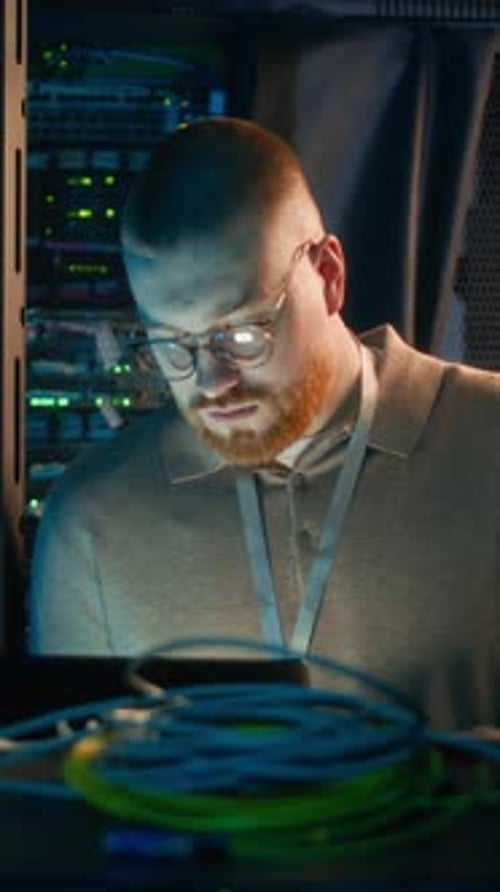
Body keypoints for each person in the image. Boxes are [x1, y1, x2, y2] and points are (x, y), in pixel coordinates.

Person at [29, 117, 500, 729]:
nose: (211, 381)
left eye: (242, 332)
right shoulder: (91, 523)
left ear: (329, 276)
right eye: (171, 343)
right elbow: (75, 798)